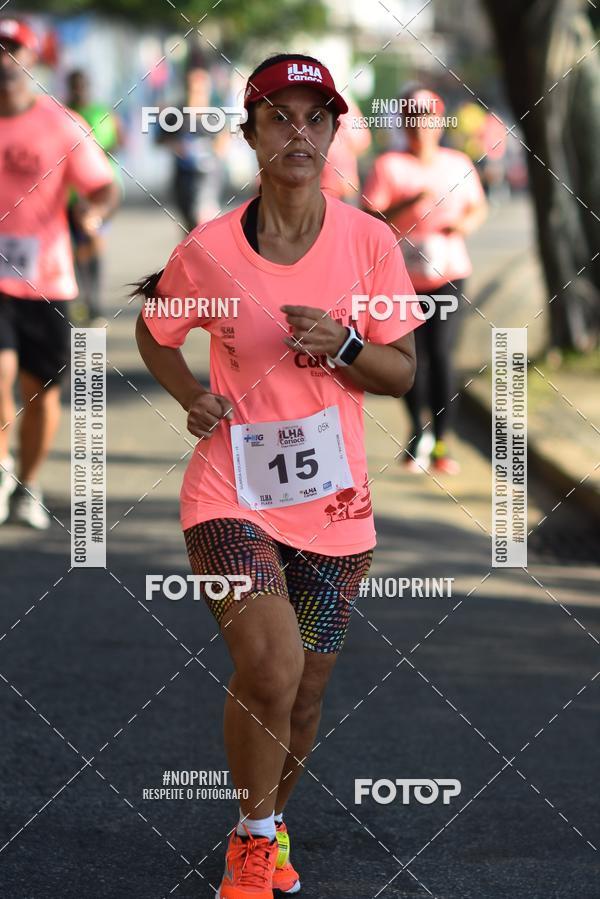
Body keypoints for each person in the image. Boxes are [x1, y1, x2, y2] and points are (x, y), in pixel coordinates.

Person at [134, 53, 423, 899]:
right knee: (271, 662)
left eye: (314, 117)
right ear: (251, 134)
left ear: (334, 131)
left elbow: (403, 373)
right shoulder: (212, 250)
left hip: (335, 507)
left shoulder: (369, 243)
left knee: (304, 695)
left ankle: (262, 819)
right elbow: (158, 328)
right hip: (230, 492)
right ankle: (254, 843)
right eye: (279, 117)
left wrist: (347, 346)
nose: (299, 132)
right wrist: (190, 392)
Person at [0, 18, 119, 528]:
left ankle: (27, 485)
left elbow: (102, 185)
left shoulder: (62, 124)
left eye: (13, 49)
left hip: (47, 279)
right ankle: (1, 466)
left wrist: (95, 213)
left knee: (40, 392)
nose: (4, 59)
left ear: (32, 59)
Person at [363, 86, 487, 474]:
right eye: (413, 119)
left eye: (427, 118)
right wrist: (408, 204)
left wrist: (461, 225)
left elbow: (477, 207)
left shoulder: (457, 163)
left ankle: (443, 442)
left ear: (439, 121)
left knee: (443, 355)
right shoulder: (389, 166)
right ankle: (418, 432)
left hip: (449, 271)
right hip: (401, 277)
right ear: (404, 122)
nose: (421, 126)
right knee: (411, 359)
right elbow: (368, 219)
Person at [66, 69, 124, 323]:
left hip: (101, 191)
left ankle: (95, 302)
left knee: (95, 241)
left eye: (83, 85)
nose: (79, 90)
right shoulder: (61, 113)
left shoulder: (103, 113)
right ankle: (83, 298)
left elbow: (119, 142)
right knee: (78, 247)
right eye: (74, 85)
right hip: (70, 194)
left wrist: (94, 154)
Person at [156, 64, 227, 231]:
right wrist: (176, 146)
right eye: (193, 88)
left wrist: (217, 148)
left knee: (204, 225)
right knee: (189, 229)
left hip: (208, 179)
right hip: (183, 179)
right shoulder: (175, 115)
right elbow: (160, 140)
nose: (197, 93)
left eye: (202, 89)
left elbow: (224, 140)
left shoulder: (215, 116)